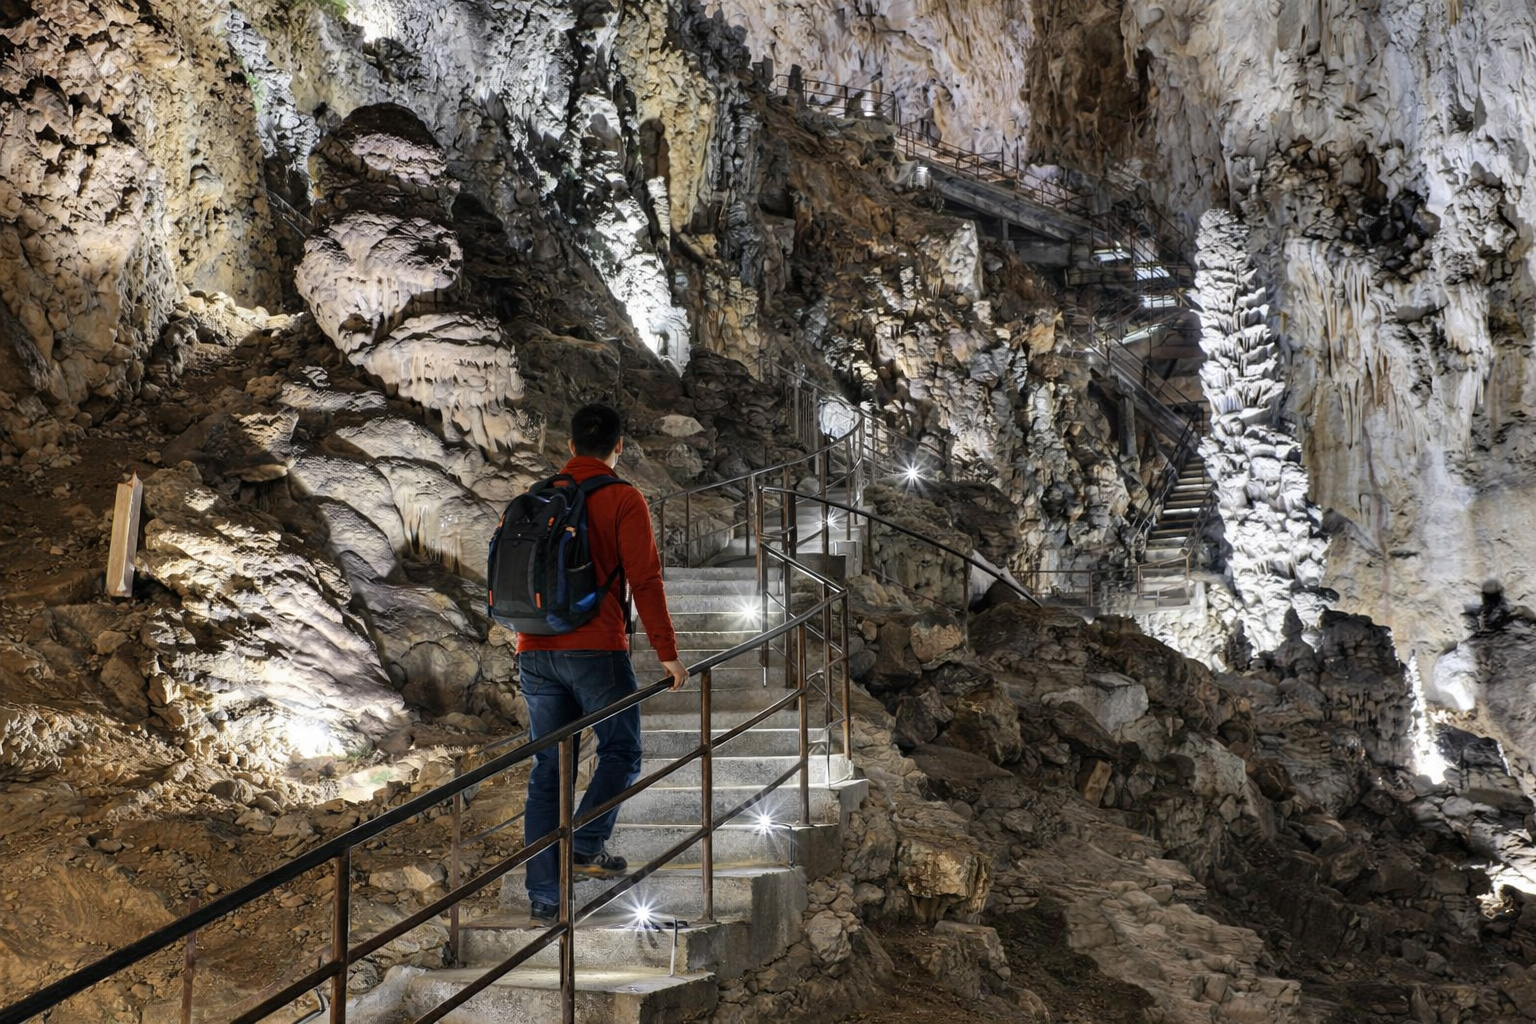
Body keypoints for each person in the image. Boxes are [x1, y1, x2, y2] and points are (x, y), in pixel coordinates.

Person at [518, 402, 688, 922]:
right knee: (621, 750)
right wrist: (667, 653)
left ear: (569, 447)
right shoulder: (623, 498)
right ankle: (587, 845)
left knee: (550, 768)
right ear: (619, 447)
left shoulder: (535, 497)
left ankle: (545, 895)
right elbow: (646, 580)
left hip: (535, 651)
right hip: (596, 650)